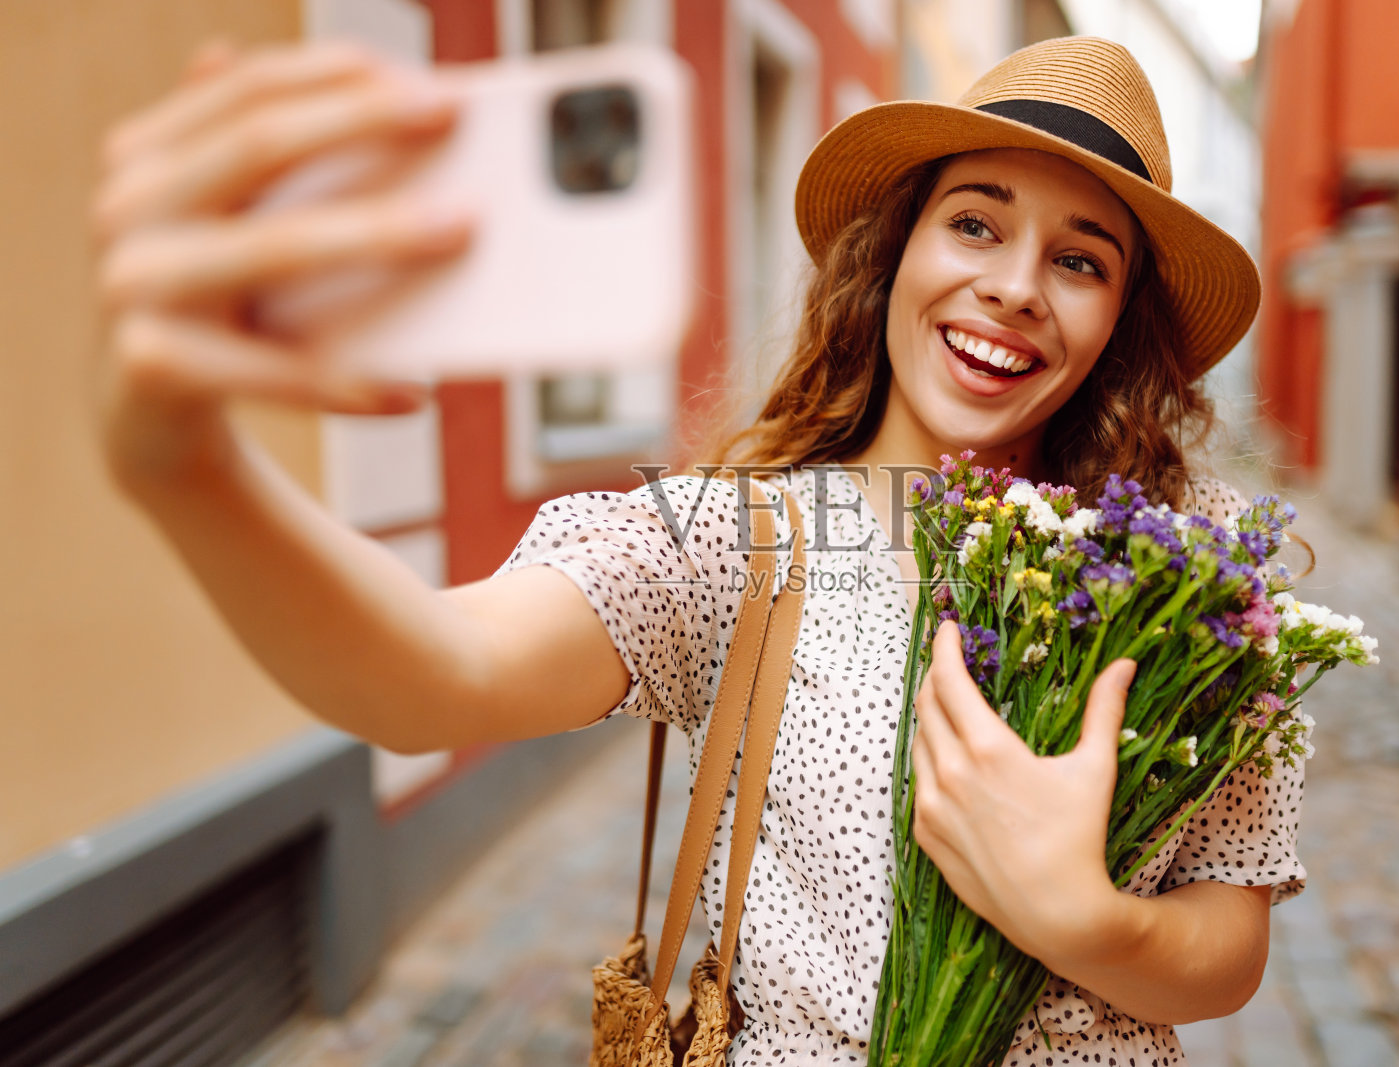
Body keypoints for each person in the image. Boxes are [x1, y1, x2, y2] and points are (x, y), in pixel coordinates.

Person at [94, 33, 1307, 1066]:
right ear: (896, 253)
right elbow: (438, 672)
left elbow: (1228, 942)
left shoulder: (1184, 589)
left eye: (1080, 259)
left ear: (1118, 320)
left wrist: (1087, 920)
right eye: (974, 223)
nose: (1015, 287)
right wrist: (189, 469)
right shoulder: (737, 540)